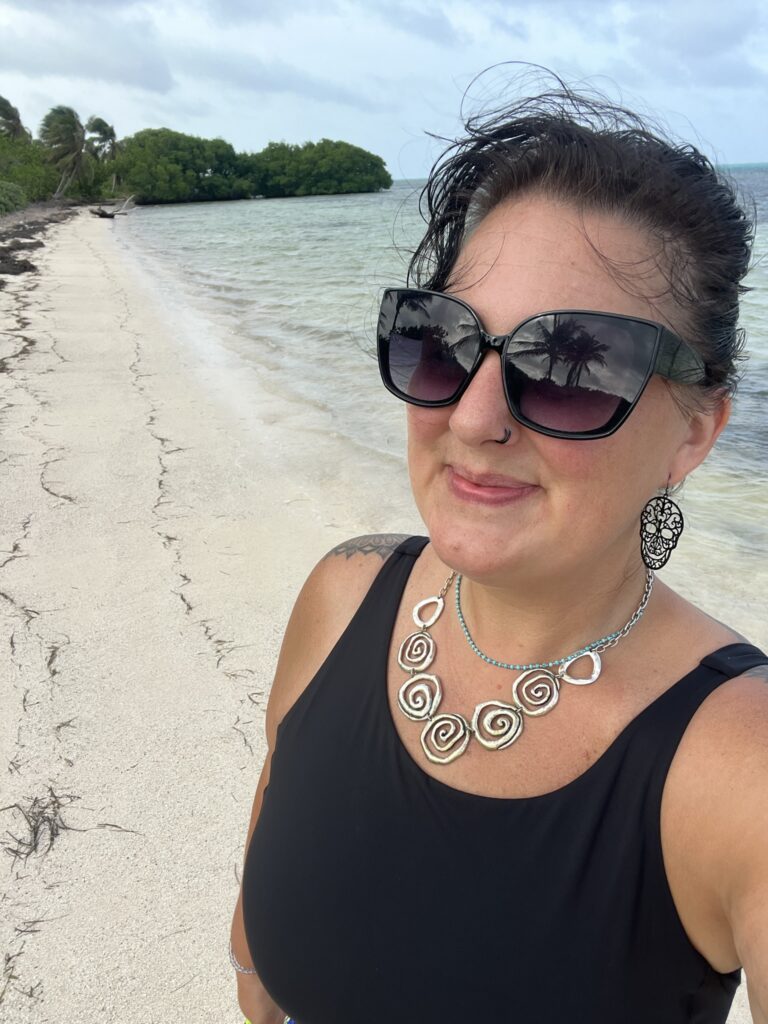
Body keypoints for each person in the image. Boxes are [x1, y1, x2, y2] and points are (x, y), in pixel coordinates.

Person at [229, 76, 768, 1024]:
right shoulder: (342, 596)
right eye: (442, 341)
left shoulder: (740, 770)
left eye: (572, 365)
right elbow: (267, 891)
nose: (474, 419)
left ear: (693, 432)